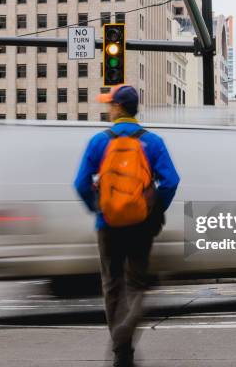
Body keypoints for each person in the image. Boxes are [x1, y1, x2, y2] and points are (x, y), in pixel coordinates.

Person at [74, 85, 180, 367]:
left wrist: (99, 208)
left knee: (112, 285)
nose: (109, 110)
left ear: (119, 108)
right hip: (140, 225)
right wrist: (153, 209)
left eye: (111, 105)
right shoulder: (153, 142)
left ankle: (121, 348)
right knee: (135, 284)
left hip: (107, 225)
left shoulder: (100, 141)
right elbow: (171, 181)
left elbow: (80, 183)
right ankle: (124, 338)